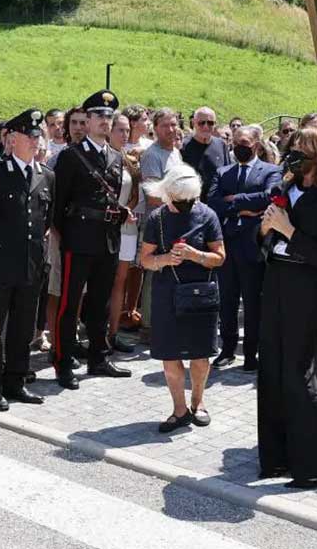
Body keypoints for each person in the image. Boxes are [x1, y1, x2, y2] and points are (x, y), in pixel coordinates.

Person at [257, 127, 317, 489]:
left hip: (306, 284)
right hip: (276, 278)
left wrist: (287, 231)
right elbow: (267, 237)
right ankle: (276, 457)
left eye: (303, 149)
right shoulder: (285, 188)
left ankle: (316, 464)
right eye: (293, 147)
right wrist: (267, 229)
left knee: (298, 370)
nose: (294, 153)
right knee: (271, 367)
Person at [0, 109, 55, 409]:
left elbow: (46, 221)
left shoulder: (46, 176)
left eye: (39, 136)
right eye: (30, 136)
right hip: (0, 262)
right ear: (13, 139)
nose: (36, 141)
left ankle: (16, 380)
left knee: (23, 326)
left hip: (31, 264)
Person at [52, 90, 133, 390]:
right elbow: (58, 205)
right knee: (69, 305)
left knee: (99, 302)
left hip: (108, 238)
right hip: (79, 238)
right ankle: (62, 362)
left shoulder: (115, 157)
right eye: (99, 115)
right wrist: (67, 236)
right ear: (86, 120)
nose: (104, 121)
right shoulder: (71, 156)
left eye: (109, 116)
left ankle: (98, 357)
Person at [137, 164, 225, 432]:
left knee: (200, 354)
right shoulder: (157, 219)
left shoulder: (207, 215)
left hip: (200, 295)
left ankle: (199, 403)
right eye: (180, 201)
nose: (186, 205)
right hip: (167, 295)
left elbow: (220, 257)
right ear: (168, 194)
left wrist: (194, 255)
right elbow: (145, 260)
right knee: (170, 354)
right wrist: (165, 259)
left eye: (190, 201)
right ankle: (179, 409)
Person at [206, 124, 282, 371]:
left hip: (254, 244)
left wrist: (234, 201)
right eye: (235, 144)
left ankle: (251, 354)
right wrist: (247, 208)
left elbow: (270, 197)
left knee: (252, 302)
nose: (239, 148)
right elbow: (214, 202)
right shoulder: (223, 172)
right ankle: (227, 350)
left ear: (257, 145)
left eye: (245, 144)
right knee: (226, 300)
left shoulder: (270, 171)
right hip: (227, 243)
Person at [107, 112, 144, 351]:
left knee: (120, 280)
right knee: (99, 281)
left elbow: (134, 194)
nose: (124, 134)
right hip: (104, 226)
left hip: (127, 227)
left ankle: (112, 332)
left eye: (126, 130)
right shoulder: (101, 159)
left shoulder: (130, 161)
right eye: (119, 129)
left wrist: (126, 210)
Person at [181, 107, 231, 197]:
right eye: (201, 123)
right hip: (192, 203)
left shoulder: (221, 145)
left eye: (210, 123)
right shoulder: (183, 147)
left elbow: (227, 175)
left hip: (216, 203)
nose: (206, 126)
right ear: (194, 123)